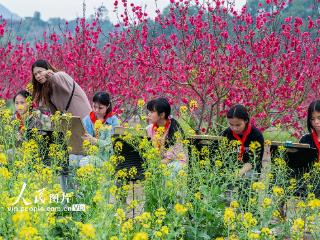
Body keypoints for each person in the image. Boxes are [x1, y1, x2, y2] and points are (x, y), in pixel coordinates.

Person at [70, 92, 120, 167]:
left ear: (108, 106)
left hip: (105, 158)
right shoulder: (87, 119)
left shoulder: (113, 121)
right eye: (94, 106)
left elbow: (112, 145)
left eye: (100, 108)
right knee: (71, 158)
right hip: (87, 153)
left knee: (85, 162)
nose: (96, 110)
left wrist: (94, 141)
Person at [221, 104, 264, 176]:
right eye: (231, 124)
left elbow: (255, 160)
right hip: (232, 169)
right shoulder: (226, 133)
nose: (234, 128)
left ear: (246, 121)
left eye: (238, 125)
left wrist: (239, 173)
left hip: (250, 169)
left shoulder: (256, 135)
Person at [146, 97, 188, 171]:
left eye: (152, 112)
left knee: (169, 169)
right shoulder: (149, 129)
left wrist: (155, 164)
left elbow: (170, 158)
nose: (148, 114)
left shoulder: (174, 129)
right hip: (158, 163)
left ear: (162, 115)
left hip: (176, 162)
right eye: (149, 112)